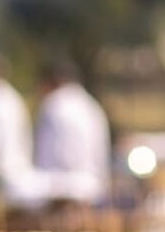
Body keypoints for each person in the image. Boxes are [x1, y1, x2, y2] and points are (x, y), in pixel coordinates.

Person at [34, 61, 112, 205]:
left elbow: (46, 159)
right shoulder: (91, 104)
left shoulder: (54, 104)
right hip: (94, 186)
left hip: (63, 185)